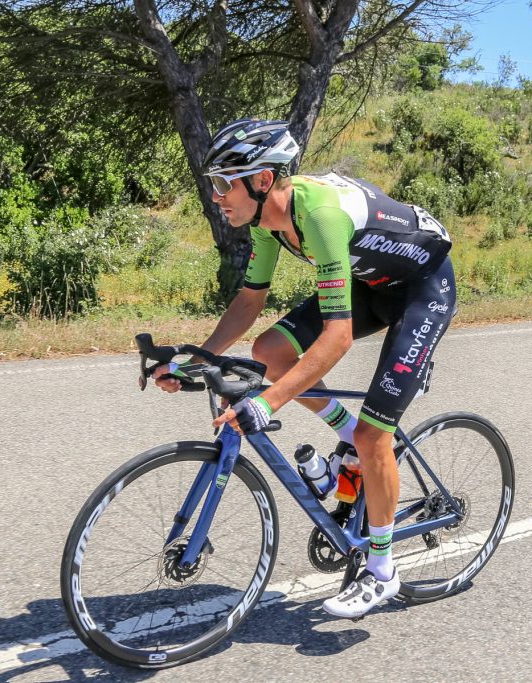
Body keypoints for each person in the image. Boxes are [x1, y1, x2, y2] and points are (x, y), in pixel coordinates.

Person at [153, 118, 455, 618]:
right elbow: (249, 302)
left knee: (375, 436)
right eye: (213, 184)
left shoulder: (320, 217)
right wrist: (194, 363)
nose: (216, 196)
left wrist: (267, 402)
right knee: (269, 350)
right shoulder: (269, 221)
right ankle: (350, 436)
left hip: (422, 290)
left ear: (262, 180)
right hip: (371, 284)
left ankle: (383, 572)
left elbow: (337, 337)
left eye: (224, 183)